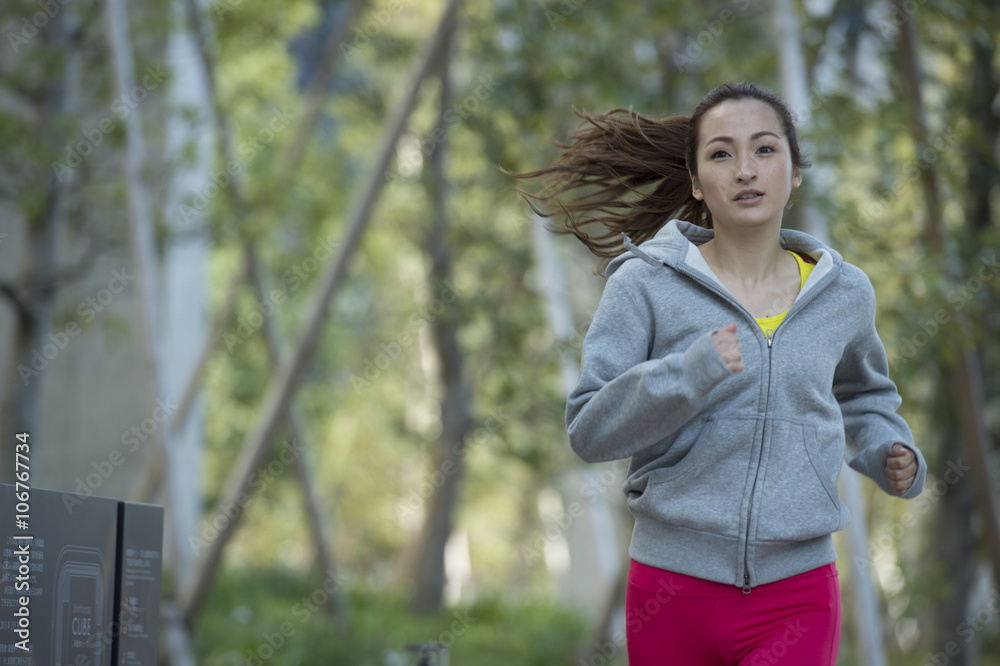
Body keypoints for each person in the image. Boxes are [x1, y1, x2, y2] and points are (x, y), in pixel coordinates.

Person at [510, 82, 926, 665]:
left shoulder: (845, 292)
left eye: (764, 150)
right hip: (670, 589)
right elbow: (589, 429)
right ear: (697, 182)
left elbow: (862, 395)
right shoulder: (644, 285)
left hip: (796, 592)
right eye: (721, 154)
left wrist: (888, 447)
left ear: (795, 171)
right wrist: (689, 373)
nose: (745, 170)